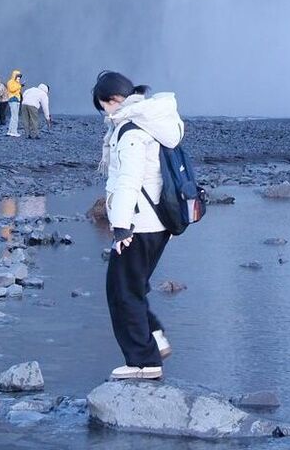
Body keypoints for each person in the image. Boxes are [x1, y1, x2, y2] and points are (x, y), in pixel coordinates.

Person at [94, 70, 184, 381]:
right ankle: (154, 337)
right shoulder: (152, 121)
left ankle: (144, 362)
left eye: (103, 106)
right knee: (133, 286)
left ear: (113, 100)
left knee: (121, 292)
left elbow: (128, 181)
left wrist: (121, 227)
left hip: (138, 224)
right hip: (158, 223)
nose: (105, 113)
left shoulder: (130, 130)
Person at [5, 70, 24, 137]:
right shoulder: (10, 82)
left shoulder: (17, 83)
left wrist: (19, 85)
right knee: (14, 116)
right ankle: (13, 132)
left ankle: (10, 131)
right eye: (18, 76)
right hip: (13, 99)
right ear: (14, 75)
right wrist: (20, 86)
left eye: (20, 76)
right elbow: (11, 89)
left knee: (14, 116)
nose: (19, 77)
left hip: (16, 100)